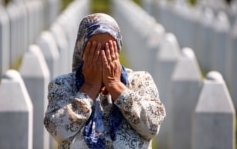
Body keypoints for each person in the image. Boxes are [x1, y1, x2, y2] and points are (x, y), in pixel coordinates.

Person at [44, 13, 166, 149]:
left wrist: (115, 86)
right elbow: (58, 130)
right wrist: (89, 88)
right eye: (94, 49)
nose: (102, 56)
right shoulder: (63, 84)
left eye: (108, 49)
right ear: (82, 50)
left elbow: (152, 127)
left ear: (118, 49)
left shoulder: (140, 81)